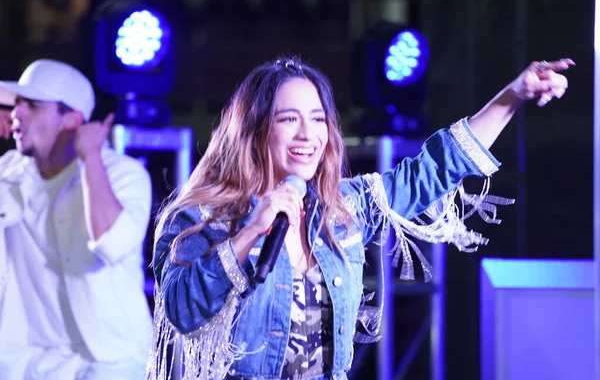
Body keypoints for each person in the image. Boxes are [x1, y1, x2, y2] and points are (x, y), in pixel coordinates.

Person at [147, 56, 574, 380]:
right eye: (288, 119)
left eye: (317, 119)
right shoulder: (203, 216)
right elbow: (181, 308)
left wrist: (512, 96)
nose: (307, 135)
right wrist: (253, 230)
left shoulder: (342, 208)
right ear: (256, 130)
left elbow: (432, 171)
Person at [0, 59, 153, 379]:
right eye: (15, 104)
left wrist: (91, 158)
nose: (17, 112)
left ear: (71, 119)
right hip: (24, 360)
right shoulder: (8, 173)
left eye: (32, 105)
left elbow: (111, 241)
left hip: (108, 362)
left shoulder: (122, 173)